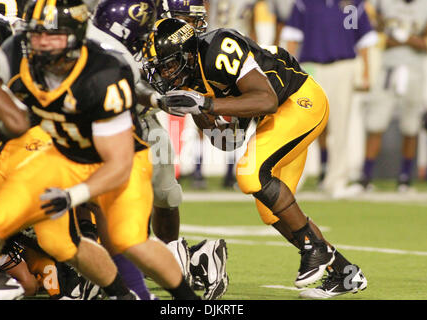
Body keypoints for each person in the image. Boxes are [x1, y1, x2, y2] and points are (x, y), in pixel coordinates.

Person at [0, 0, 199, 300]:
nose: (41, 42)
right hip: (59, 155)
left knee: (129, 240)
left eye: (52, 34)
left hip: (118, 159)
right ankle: (124, 296)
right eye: (35, 33)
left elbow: (117, 162)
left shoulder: (102, 73)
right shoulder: (17, 52)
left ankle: (188, 300)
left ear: (75, 34)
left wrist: (73, 196)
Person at [143, 18, 367, 298]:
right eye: (159, 68)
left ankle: (316, 249)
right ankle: (345, 274)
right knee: (271, 210)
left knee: (250, 174)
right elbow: (227, 141)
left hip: (300, 102)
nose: (164, 74)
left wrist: (208, 103)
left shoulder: (218, 48)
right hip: (277, 118)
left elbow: (267, 100)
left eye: (169, 65)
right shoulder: (192, 81)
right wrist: (199, 112)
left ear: (188, 54)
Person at [92, 0, 229, 300]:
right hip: (102, 123)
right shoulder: (124, 38)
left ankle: (181, 260)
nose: (189, 26)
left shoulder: (167, 42)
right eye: (183, 17)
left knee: (163, 195)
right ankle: (193, 260)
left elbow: (179, 87)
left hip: (137, 124)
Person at [280, 0, 378, 198]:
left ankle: (337, 182)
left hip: (343, 66)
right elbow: (292, 37)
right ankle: (292, 180)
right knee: (302, 126)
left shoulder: (353, 4)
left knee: (340, 126)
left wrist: (366, 72)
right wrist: (289, 72)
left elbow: (364, 41)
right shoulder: (304, 3)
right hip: (310, 67)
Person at [353, 0, 427, 192]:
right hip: (388, 70)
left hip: (414, 70)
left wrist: (405, 39)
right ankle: (366, 176)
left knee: (411, 126)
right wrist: (406, 39)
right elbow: (376, 34)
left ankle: (404, 178)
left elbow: (424, 43)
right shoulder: (383, 3)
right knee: (376, 123)